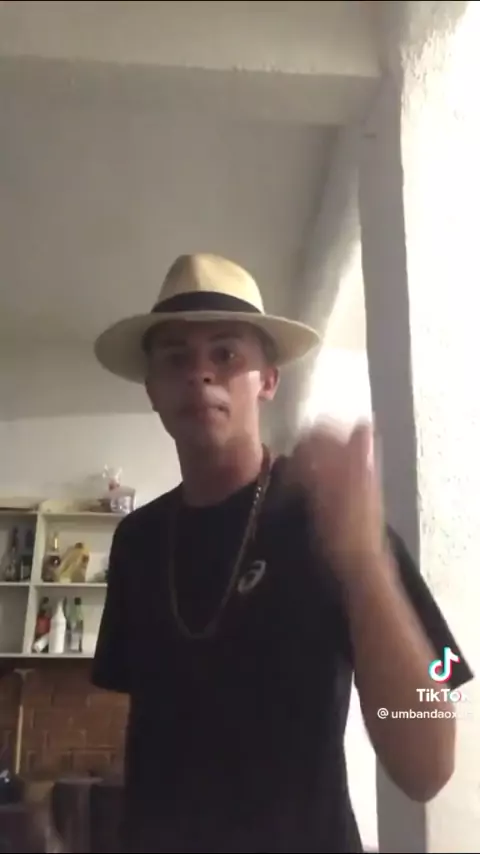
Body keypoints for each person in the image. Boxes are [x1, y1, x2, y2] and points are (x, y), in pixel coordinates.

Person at [92, 253, 473, 853]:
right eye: (176, 358)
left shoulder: (336, 517)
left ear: (267, 380)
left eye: (225, 354)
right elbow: (135, 721)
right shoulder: (135, 540)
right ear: (153, 390)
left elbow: (430, 759)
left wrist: (364, 562)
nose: (200, 374)